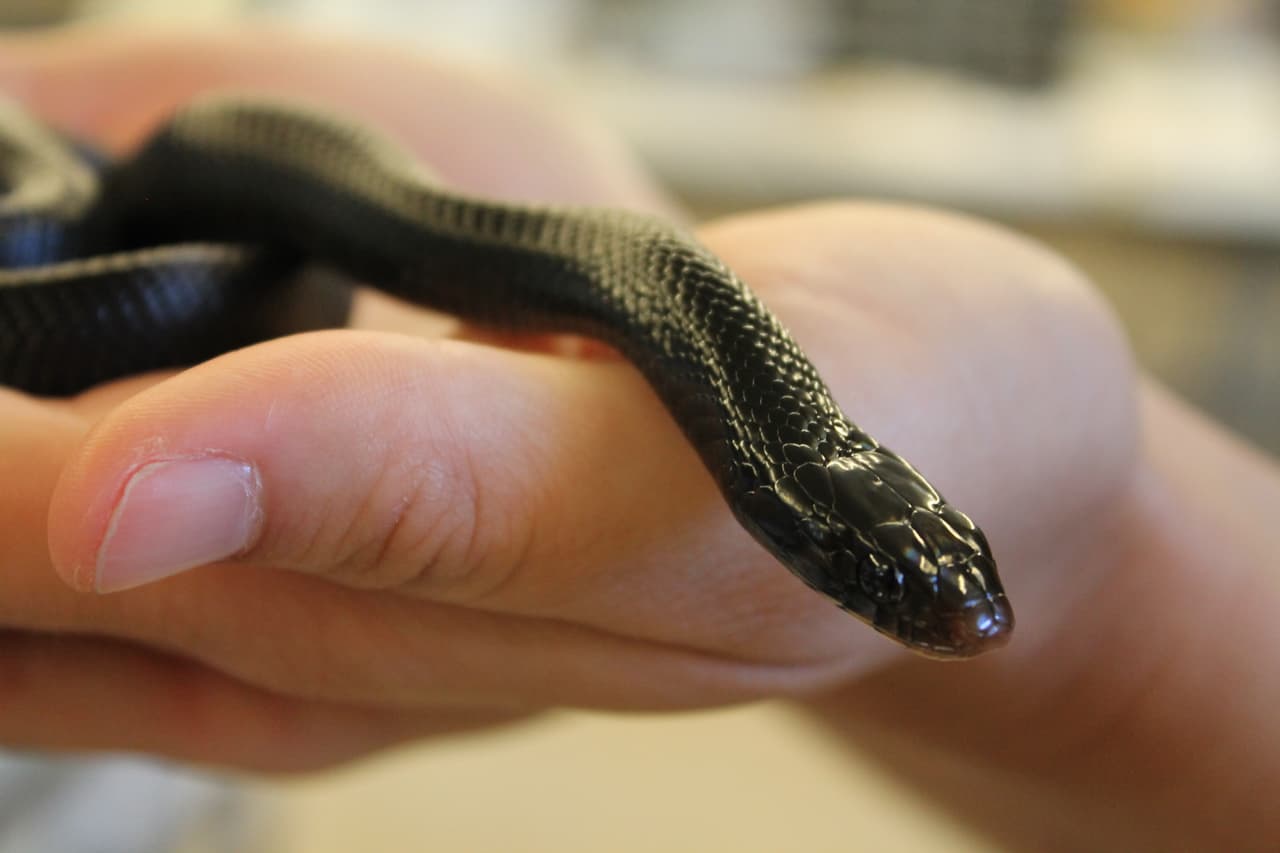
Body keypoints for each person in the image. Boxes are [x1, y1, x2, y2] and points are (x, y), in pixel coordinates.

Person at [0, 27, 1275, 853]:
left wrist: (1098, 544)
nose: (968, 616)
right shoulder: (720, 360)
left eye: (929, 572)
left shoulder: (711, 338)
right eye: (896, 583)